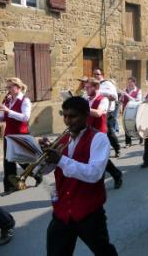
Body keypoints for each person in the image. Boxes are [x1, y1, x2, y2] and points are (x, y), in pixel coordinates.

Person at [44, 96, 117, 256]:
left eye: (73, 116)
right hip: (62, 212)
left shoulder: (99, 139)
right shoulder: (61, 139)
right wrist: (43, 157)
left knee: (104, 252)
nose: (68, 121)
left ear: (86, 115)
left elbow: (94, 174)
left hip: (89, 213)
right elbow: (46, 171)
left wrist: (61, 159)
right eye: (65, 116)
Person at [0, 78, 41, 195]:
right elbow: (3, 117)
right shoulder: (8, 100)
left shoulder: (25, 100)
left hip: (20, 135)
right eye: (7, 87)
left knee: (23, 161)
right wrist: (1, 114)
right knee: (8, 162)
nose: (8, 90)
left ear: (17, 87)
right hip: (8, 135)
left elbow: (25, 117)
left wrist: (8, 111)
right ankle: (10, 186)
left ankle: (37, 175)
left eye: (10, 87)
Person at [85, 78, 122, 190]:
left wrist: (82, 107)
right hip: (88, 132)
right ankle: (115, 175)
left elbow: (98, 113)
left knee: (100, 159)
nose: (86, 89)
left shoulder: (103, 99)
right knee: (94, 158)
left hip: (99, 134)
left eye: (88, 87)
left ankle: (115, 175)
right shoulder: (86, 99)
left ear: (96, 87)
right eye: (85, 87)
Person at [93, 69, 121, 158]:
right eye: (94, 74)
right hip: (96, 111)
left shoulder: (107, 84)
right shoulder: (94, 84)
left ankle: (117, 148)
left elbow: (114, 97)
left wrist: (100, 94)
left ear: (102, 74)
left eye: (97, 74)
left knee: (108, 132)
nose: (95, 76)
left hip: (107, 112)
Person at [121, 77, 142, 148]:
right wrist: (121, 97)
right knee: (126, 125)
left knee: (136, 124)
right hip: (126, 110)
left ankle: (141, 137)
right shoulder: (125, 90)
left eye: (131, 82)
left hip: (135, 110)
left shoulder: (138, 91)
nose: (129, 84)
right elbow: (122, 100)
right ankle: (128, 142)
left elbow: (138, 100)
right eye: (128, 82)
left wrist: (127, 95)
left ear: (134, 83)